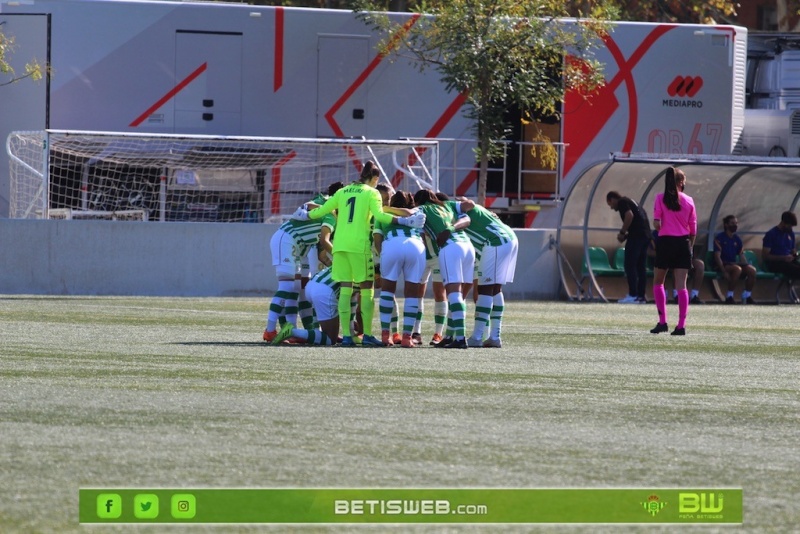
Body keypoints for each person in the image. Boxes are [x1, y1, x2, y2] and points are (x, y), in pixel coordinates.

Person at [292, 161, 424, 347]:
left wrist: (305, 215)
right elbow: (379, 216)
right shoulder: (372, 192)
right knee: (366, 289)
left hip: (340, 246)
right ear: (375, 178)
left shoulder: (342, 191)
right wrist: (404, 222)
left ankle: (347, 336)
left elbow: (322, 211)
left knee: (346, 289)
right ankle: (368, 335)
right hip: (359, 246)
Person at [262, 181, 342, 342]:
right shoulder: (326, 204)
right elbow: (307, 206)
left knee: (299, 288)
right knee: (287, 286)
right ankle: (269, 330)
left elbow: (321, 253)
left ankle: (294, 330)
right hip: (287, 239)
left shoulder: (334, 214)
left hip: (302, 246)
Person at [414, 188, 475, 349]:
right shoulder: (448, 205)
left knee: (453, 293)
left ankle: (460, 338)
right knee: (460, 294)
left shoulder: (421, 209)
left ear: (418, 201)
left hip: (451, 248)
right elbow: (469, 210)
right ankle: (450, 335)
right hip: (468, 246)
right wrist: (451, 228)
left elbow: (406, 214)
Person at [460, 198, 518, 348]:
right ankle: (494, 336)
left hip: (496, 241)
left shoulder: (457, 210)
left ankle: (477, 337)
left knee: (485, 288)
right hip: (508, 237)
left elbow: (469, 203)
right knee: (495, 289)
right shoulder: (477, 210)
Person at [373, 190, 426, 348]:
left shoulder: (382, 213)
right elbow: (423, 236)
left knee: (387, 290)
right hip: (416, 245)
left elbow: (377, 239)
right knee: (412, 293)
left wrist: (383, 254)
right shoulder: (417, 212)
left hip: (392, 244)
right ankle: (406, 338)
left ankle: (385, 335)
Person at [650, 166, 697, 336]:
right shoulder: (689, 200)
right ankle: (681, 325)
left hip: (666, 242)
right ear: (681, 182)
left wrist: (662, 223)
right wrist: (689, 246)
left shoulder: (659, 198)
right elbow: (693, 229)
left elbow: (657, 224)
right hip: (682, 243)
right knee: (681, 286)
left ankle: (662, 322)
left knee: (658, 282)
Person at [606, 191, 652, 304]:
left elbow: (629, 215)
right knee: (641, 267)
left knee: (629, 265)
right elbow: (640, 222)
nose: (611, 208)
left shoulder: (622, 202)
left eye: (610, 204)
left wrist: (622, 232)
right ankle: (641, 296)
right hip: (645, 236)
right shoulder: (633, 202)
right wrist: (627, 235)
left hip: (637, 237)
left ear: (612, 199)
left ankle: (633, 294)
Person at [649, 230, 704, 305]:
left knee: (700, 265)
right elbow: (648, 251)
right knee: (675, 265)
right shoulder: (656, 234)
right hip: (663, 259)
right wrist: (662, 255)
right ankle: (675, 295)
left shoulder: (683, 230)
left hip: (682, 258)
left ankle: (694, 295)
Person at [714, 214, 757, 304]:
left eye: (736, 223)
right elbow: (717, 256)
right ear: (726, 225)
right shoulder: (719, 238)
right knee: (737, 269)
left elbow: (741, 255)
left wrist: (746, 266)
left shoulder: (737, 239)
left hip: (734, 263)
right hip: (724, 264)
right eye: (732, 223)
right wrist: (723, 271)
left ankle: (747, 295)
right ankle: (729, 296)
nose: (735, 225)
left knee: (752, 270)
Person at [762, 210, 800, 279]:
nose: (791, 228)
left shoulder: (790, 234)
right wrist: (783, 258)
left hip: (789, 261)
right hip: (775, 263)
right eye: (789, 226)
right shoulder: (771, 234)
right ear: (783, 223)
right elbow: (766, 256)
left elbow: (793, 251)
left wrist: (795, 255)